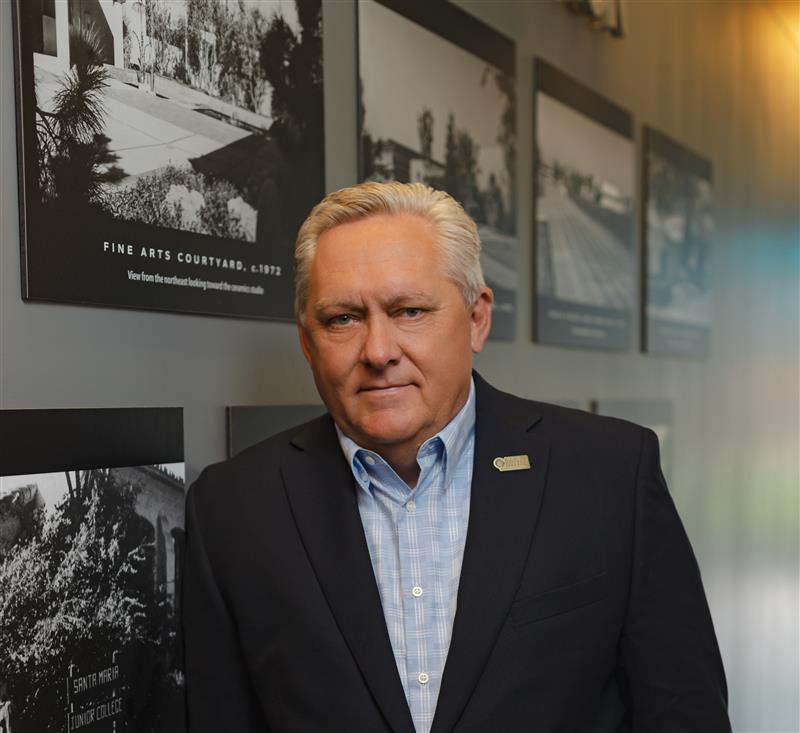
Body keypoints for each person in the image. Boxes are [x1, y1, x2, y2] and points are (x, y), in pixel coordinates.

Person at [183, 182, 730, 733]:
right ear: (307, 341)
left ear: (476, 320)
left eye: (410, 310)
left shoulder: (610, 472)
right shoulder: (232, 507)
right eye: (343, 319)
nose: (378, 351)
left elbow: (684, 711)